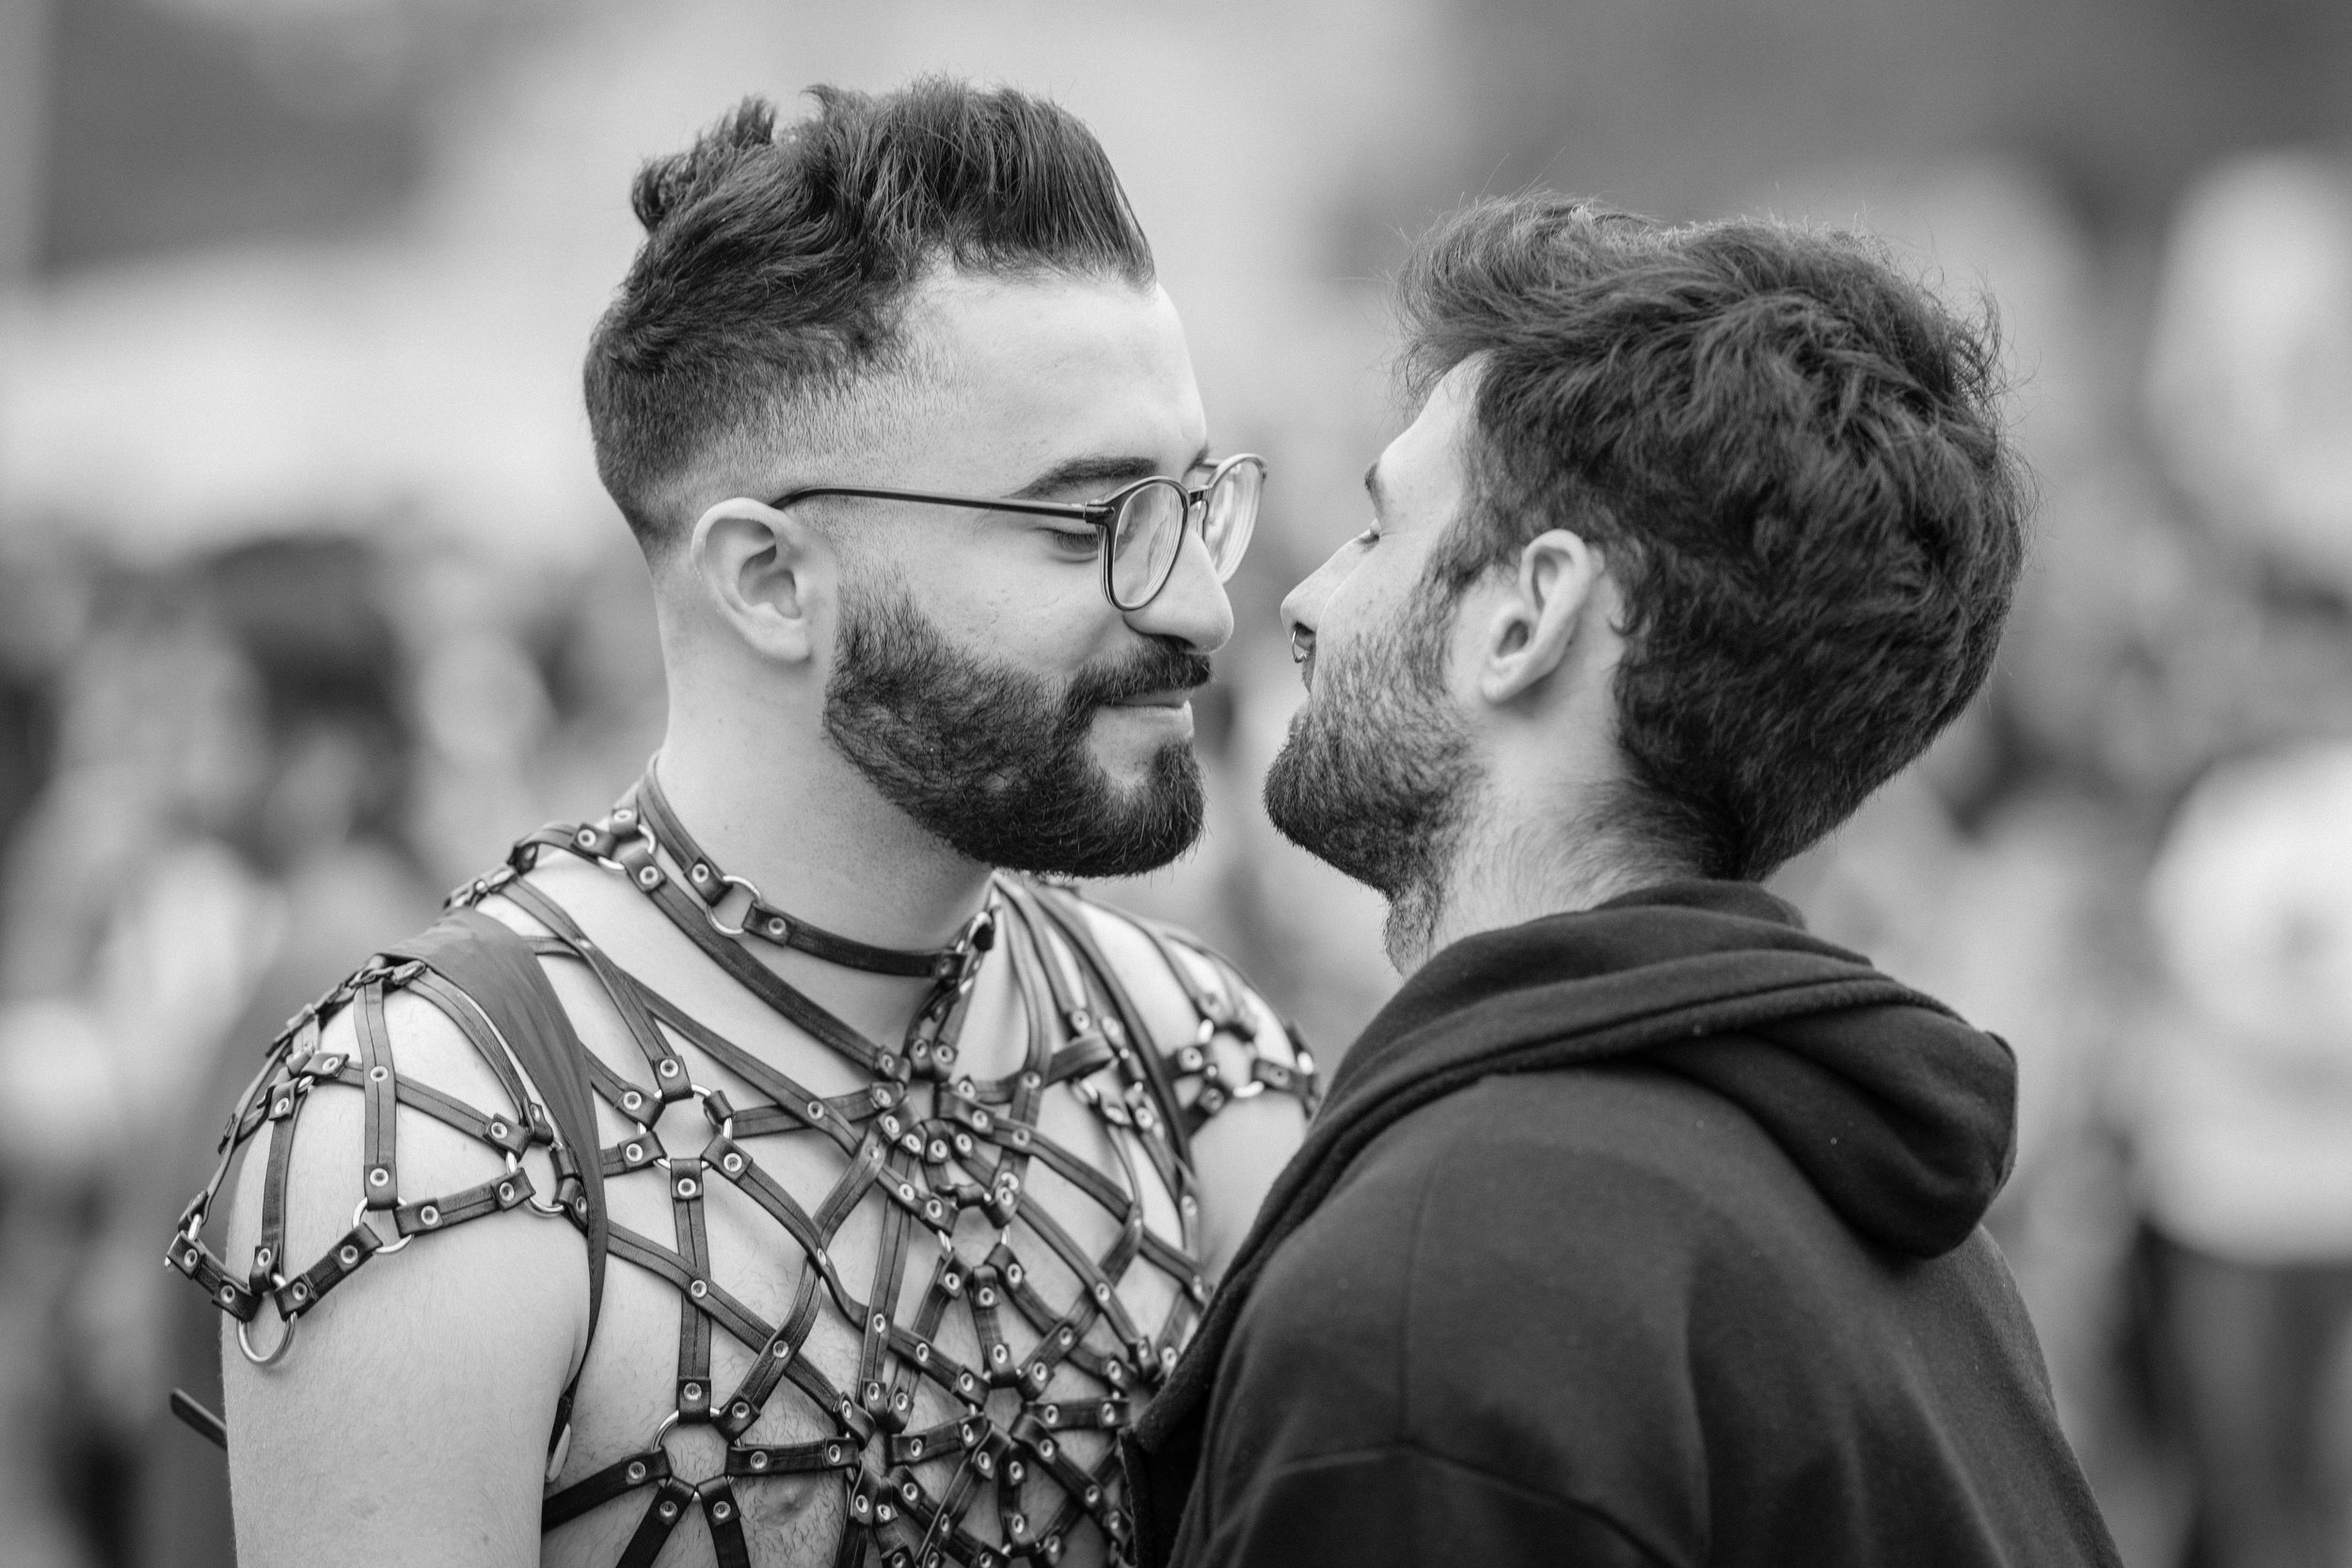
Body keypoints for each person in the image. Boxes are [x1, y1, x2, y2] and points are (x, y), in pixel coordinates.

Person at [167, 81, 1313, 1568]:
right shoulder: (431, 1130)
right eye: (1087, 524)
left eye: (1193, 501)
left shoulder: (1194, 1061)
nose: (1198, 608)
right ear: (770, 581)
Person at [1123, 197, 2122, 1568]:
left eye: (1379, 531)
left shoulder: (1453, 1293)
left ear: (1526, 616)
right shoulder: (1903, 1232)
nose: (1305, 600)